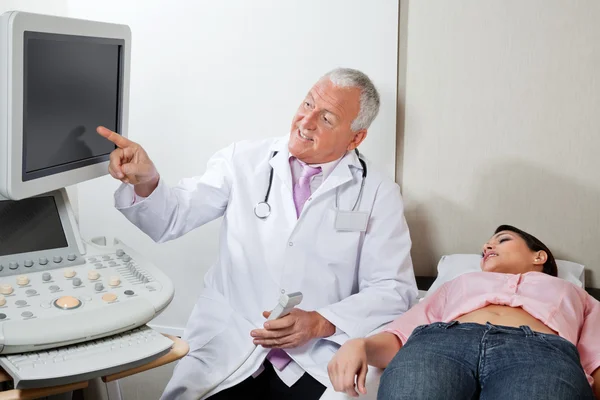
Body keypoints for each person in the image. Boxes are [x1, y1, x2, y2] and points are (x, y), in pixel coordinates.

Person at [96, 68, 418, 400]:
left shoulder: (378, 192)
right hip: (232, 341)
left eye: (326, 119)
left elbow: (393, 289)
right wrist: (147, 180)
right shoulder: (243, 160)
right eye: (307, 104)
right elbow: (172, 217)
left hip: (318, 354)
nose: (306, 121)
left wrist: (322, 322)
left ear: (355, 138)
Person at [328, 225, 600, 399]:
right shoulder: (458, 283)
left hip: (539, 355)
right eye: (485, 247)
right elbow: (400, 337)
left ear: (539, 256)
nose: (487, 247)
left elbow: (596, 359)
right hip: (442, 344)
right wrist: (359, 344)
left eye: (502, 240)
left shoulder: (575, 293)